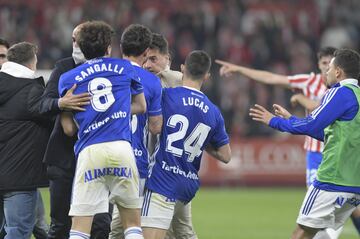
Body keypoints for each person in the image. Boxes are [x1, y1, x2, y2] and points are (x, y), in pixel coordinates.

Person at [249, 48, 360, 239]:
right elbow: (329, 134)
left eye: (329, 68)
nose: (326, 72)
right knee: (320, 235)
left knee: (301, 233)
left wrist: (273, 121)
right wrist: (291, 119)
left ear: (338, 72)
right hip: (354, 183)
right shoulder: (357, 95)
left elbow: (311, 125)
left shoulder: (339, 92)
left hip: (331, 180)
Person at [59, 20, 146, 239]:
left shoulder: (67, 79)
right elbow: (141, 106)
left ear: (81, 47)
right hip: (121, 148)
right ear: (108, 47)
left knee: (79, 228)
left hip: (90, 151)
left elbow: (69, 129)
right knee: (132, 225)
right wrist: (114, 114)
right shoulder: (125, 68)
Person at [142, 50, 231, 239]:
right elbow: (226, 155)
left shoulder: (167, 96)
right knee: (183, 234)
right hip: (187, 185)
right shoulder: (214, 112)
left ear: (182, 69)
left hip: (162, 180)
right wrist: (203, 142)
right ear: (207, 76)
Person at [40, 23, 112, 239]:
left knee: (101, 224)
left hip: (97, 159)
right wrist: (62, 103)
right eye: (72, 39)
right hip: (65, 159)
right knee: (61, 224)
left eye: (77, 40)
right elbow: (43, 104)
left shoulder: (110, 71)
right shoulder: (63, 68)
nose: (74, 44)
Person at [109, 24, 163, 239]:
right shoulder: (152, 81)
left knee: (99, 222)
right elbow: (155, 126)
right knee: (131, 224)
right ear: (146, 51)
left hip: (103, 154)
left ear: (121, 47)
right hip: (135, 160)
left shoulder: (108, 71)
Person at [143, 33, 198, 239]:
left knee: (180, 229)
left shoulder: (178, 83)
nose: (148, 65)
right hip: (147, 165)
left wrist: (163, 74)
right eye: (145, 59)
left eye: (154, 59)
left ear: (168, 59)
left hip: (170, 168)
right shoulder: (144, 83)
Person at [0, 42, 50, 239]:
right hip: (19, 176)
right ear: (32, 63)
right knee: (18, 230)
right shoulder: (31, 91)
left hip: (7, 170)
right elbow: (50, 115)